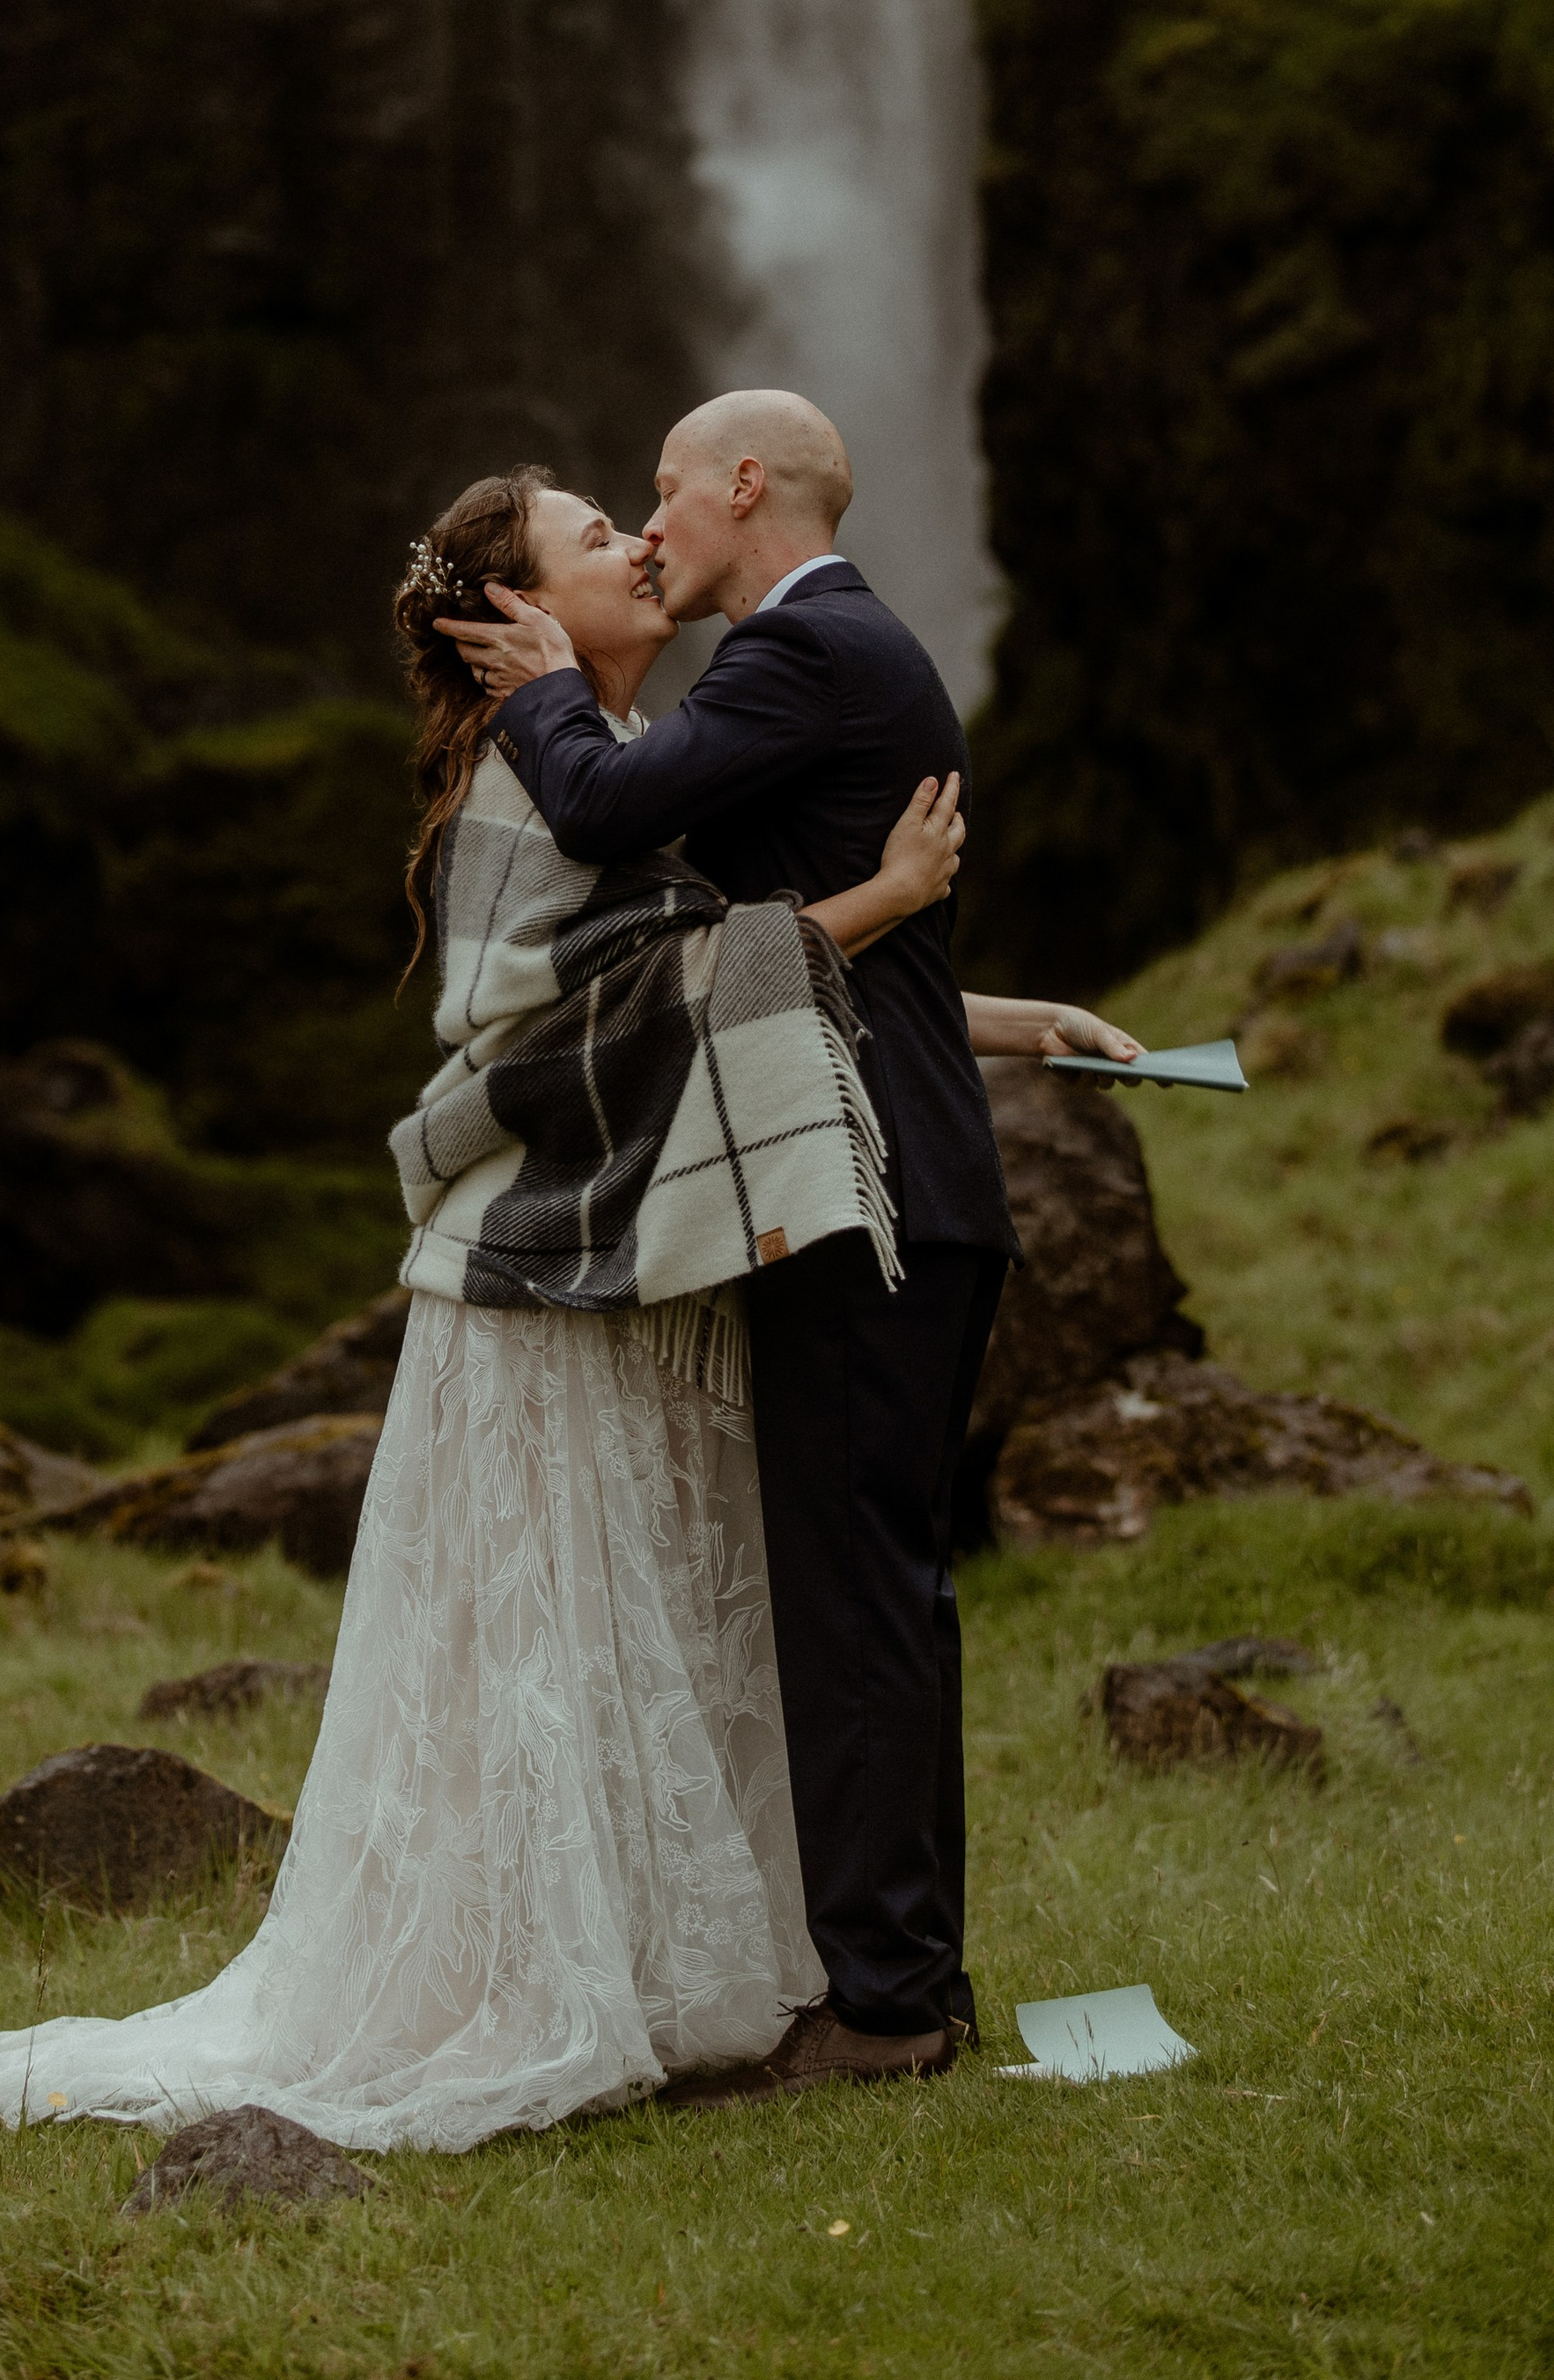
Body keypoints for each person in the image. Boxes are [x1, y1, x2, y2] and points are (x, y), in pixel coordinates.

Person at [0, 462, 968, 2153]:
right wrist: (884, 901)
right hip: (535, 1299)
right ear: (519, 621)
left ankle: (660, 1962)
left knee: (633, 1634)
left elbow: (714, 981)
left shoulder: (627, 783)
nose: (639, 541)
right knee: (546, 1654)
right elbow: (581, 1032)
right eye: (595, 534)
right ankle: (524, 1978)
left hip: (620, 1288)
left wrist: (989, 1013)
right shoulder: (531, 779)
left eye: (637, 515)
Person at [436, 389, 1139, 2104]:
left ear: (743, 484)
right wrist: (1018, 1014)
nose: (650, 527)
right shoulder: (833, 656)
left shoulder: (800, 651)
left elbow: (604, 810)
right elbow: (758, 951)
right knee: (876, 1592)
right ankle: (907, 1981)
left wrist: (530, 685)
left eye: (661, 493)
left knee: (850, 1597)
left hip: (864, 1191)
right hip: (902, 1174)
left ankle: (885, 2005)